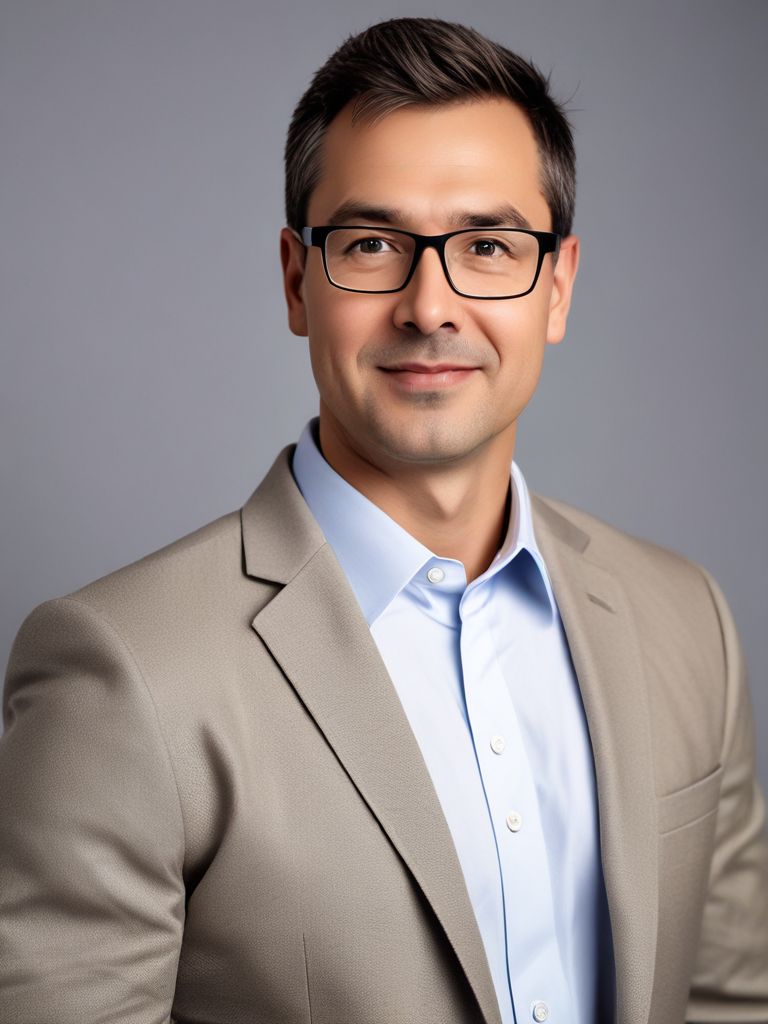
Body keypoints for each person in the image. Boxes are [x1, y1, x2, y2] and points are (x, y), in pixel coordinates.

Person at [1, 15, 766, 1024]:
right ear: (296, 280)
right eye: (372, 243)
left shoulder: (686, 619)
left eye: (489, 245)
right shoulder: (122, 672)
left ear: (558, 287)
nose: (429, 304)